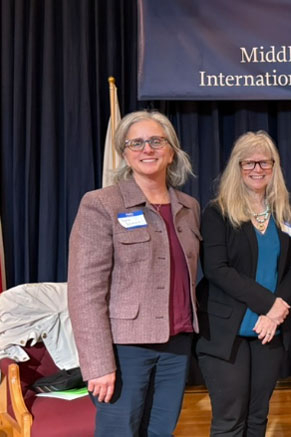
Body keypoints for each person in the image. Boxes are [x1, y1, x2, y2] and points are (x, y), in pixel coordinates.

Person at [68, 110, 200, 436]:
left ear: (171, 151)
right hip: (124, 350)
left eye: (156, 141)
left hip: (177, 345)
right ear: (125, 153)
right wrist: (98, 364)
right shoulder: (102, 204)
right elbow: (85, 292)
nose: (147, 149)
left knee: (161, 432)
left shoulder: (189, 206)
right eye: (136, 142)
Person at [196, 131, 291, 436]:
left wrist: (275, 314)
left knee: (258, 418)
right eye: (249, 163)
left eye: (264, 163)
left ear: (274, 167)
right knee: (231, 420)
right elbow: (217, 269)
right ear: (237, 166)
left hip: (270, 332)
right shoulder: (218, 212)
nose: (257, 169)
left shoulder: (287, 214)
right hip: (226, 333)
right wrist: (270, 304)